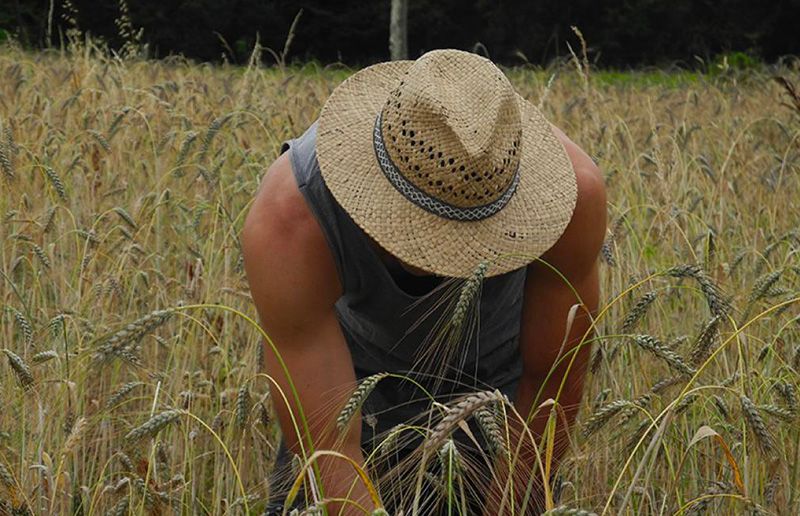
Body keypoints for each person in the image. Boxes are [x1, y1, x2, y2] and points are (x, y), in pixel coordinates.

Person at [242, 49, 606, 515]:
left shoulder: (573, 199)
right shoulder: (292, 218)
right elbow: (329, 447)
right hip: (353, 387)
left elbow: (550, 379)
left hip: (496, 401)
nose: (439, 263)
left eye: (466, 241)